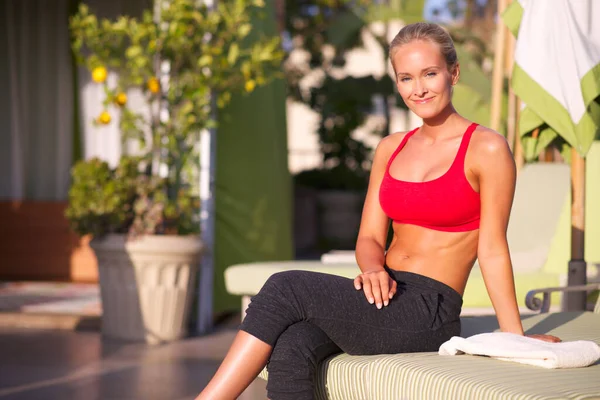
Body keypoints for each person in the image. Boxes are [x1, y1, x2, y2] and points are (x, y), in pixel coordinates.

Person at [196, 22, 560, 400]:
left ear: (453, 73)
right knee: (294, 342)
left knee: (285, 287)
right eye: (406, 78)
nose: (418, 88)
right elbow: (370, 237)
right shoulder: (391, 148)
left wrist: (515, 335)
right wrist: (372, 268)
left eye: (430, 74)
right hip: (383, 294)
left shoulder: (486, 148)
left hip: (428, 309)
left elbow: (493, 247)